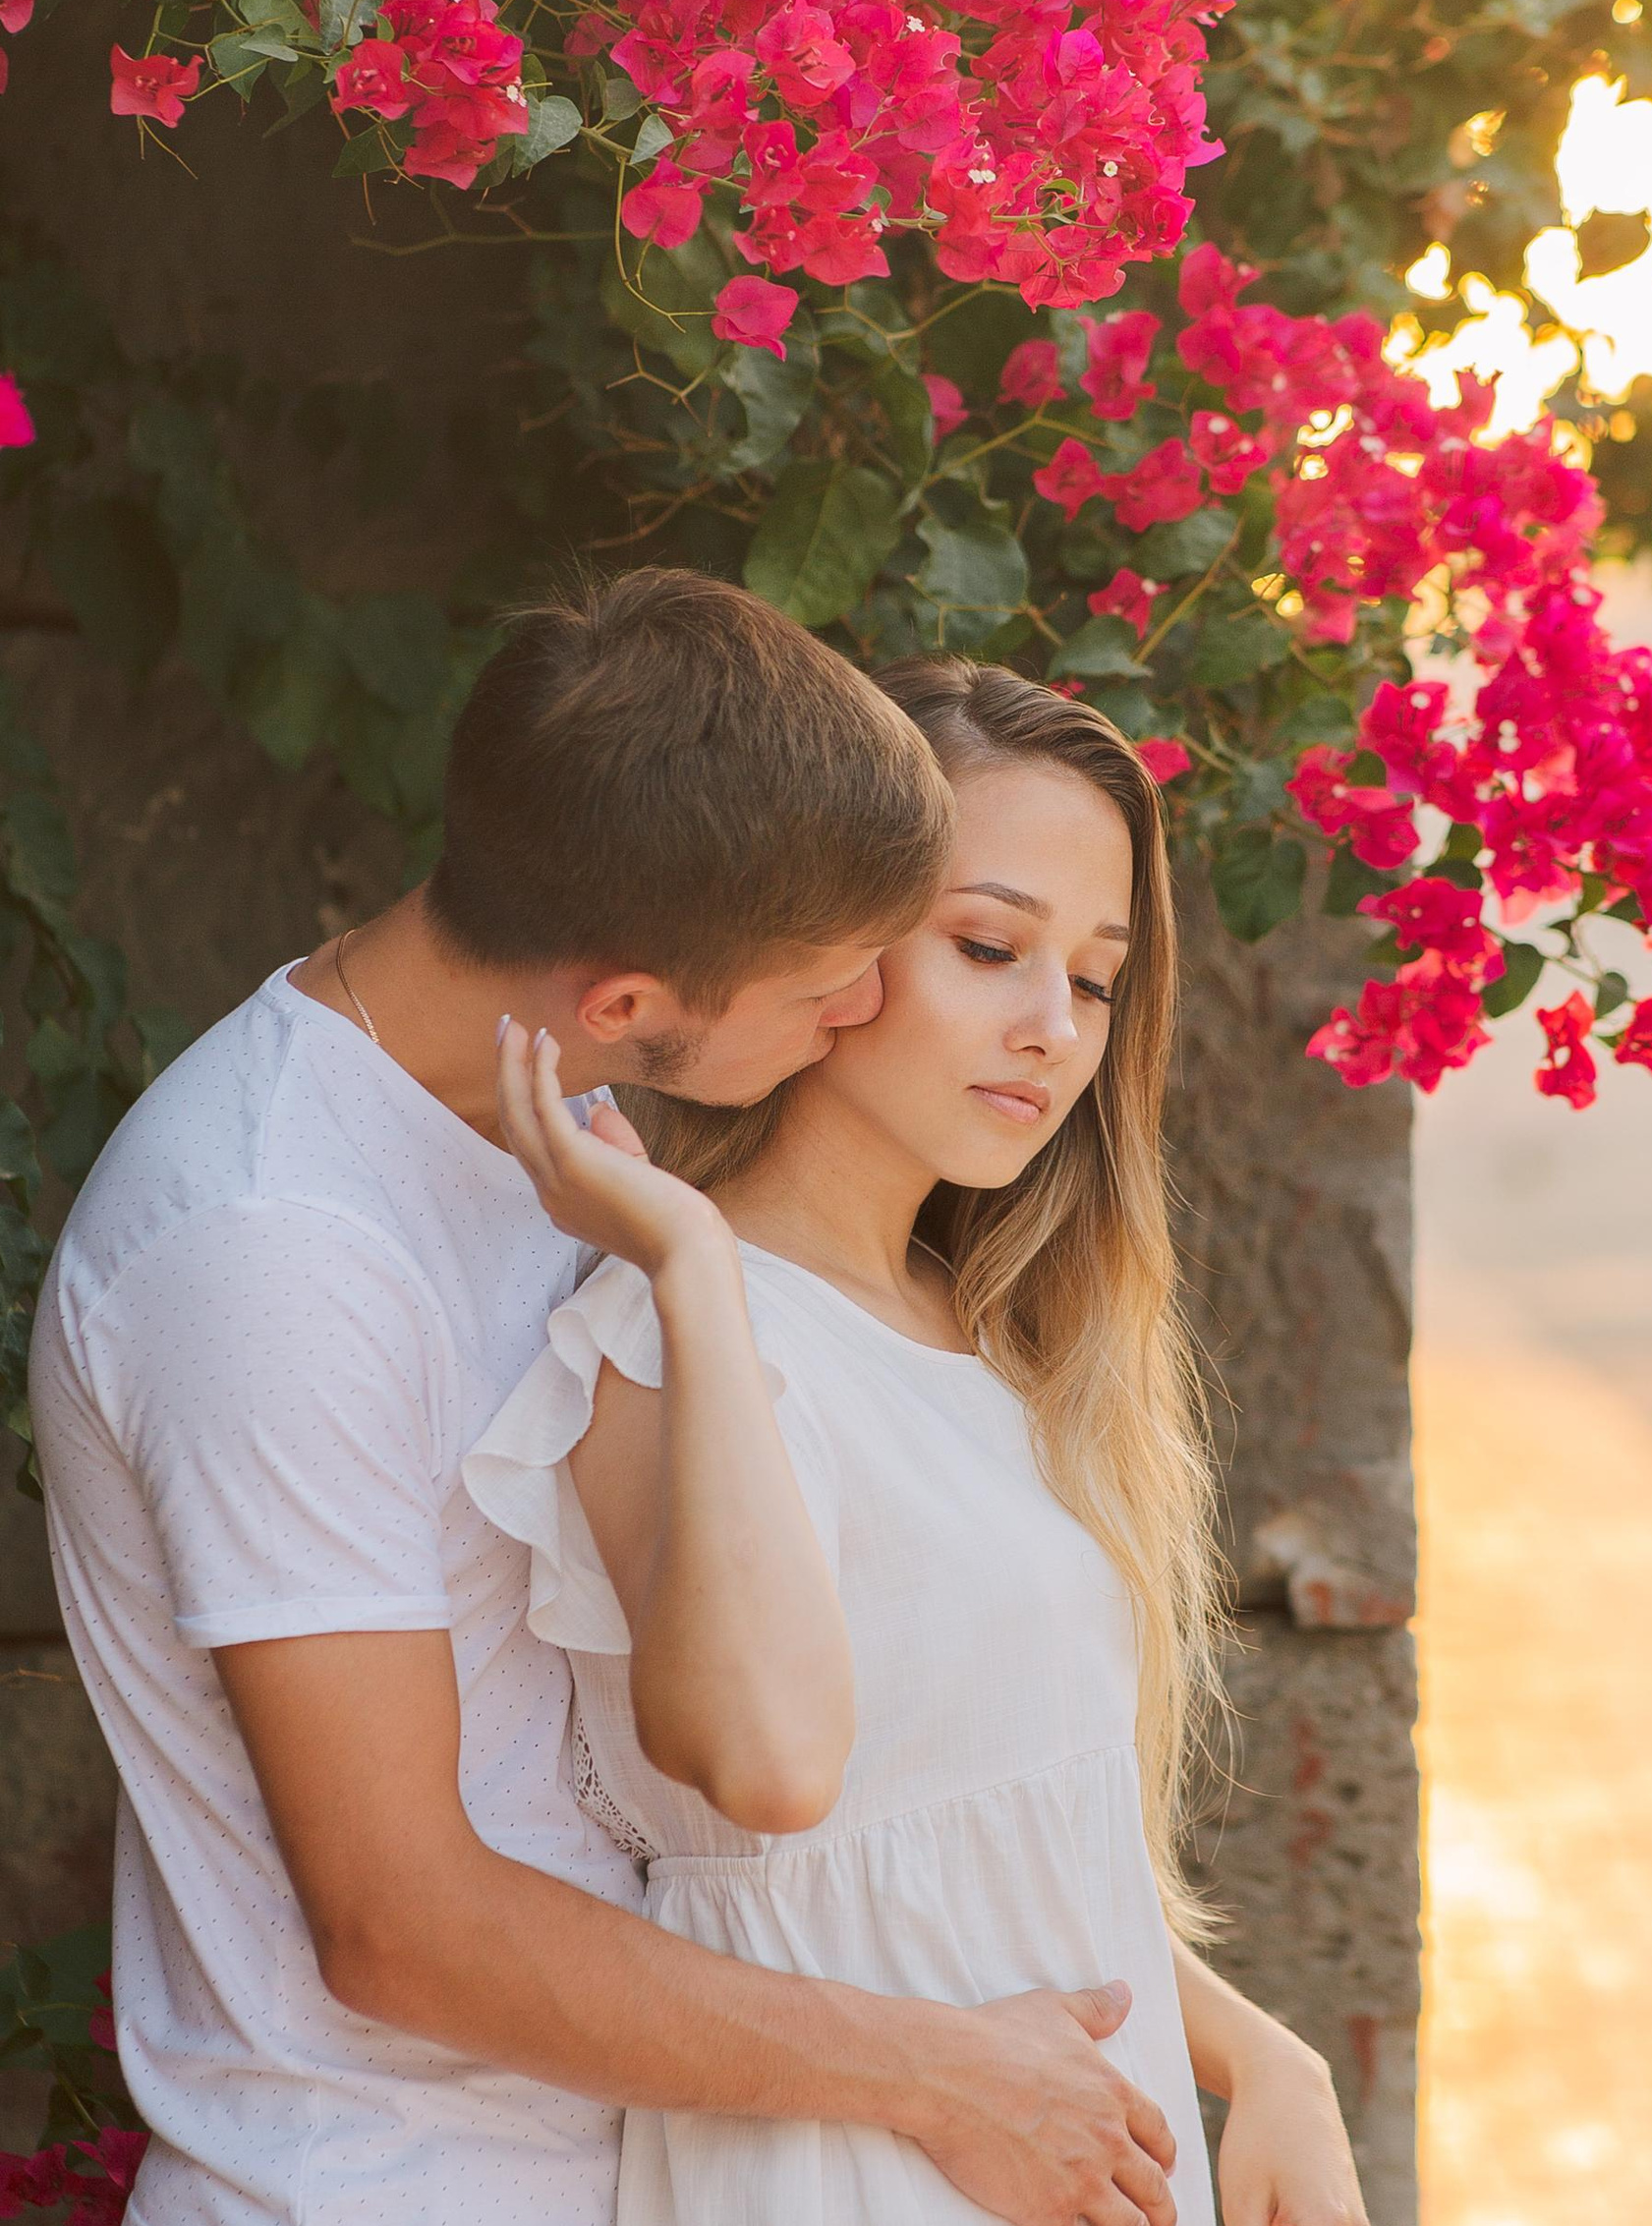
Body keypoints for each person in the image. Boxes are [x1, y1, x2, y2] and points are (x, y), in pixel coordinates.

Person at [30, 571, 1187, 2226]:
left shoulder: (560, 1124)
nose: (861, 1008)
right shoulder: (269, 1249)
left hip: (662, 2162)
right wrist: (950, 2078)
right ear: (631, 1004)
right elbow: (398, 1925)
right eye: (828, 981)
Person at [469, 656, 1372, 2226]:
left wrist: (1262, 2058)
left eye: (1094, 979)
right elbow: (766, 1773)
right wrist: (690, 1265)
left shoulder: (997, 1338)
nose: (1053, 1030)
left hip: (1079, 2153)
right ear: (834, 943)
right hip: (847, 2169)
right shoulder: (679, 1332)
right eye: (988, 947)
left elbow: (989, 1835)